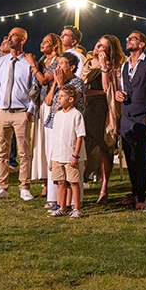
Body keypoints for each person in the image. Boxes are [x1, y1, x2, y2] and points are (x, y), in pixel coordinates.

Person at [0, 26, 38, 202]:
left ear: (22, 40)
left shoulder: (29, 63)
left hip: (21, 112)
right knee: (2, 151)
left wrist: (30, 110)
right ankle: (2, 186)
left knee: (24, 152)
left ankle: (24, 186)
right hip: (3, 112)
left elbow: (34, 89)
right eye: (9, 35)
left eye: (14, 35)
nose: (10, 38)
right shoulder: (1, 62)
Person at [81, 34, 123, 204]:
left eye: (104, 46)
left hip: (107, 109)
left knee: (106, 147)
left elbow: (108, 88)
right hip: (90, 108)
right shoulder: (89, 63)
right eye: (98, 45)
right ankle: (80, 183)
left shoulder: (116, 66)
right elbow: (82, 86)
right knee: (85, 147)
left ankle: (104, 188)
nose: (99, 48)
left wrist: (105, 67)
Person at [117, 30, 146, 209]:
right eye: (128, 38)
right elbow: (124, 87)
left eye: (132, 38)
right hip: (126, 116)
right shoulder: (124, 65)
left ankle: (141, 195)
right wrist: (119, 94)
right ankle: (134, 191)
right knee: (129, 157)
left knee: (140, 156)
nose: (128, 40)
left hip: (142, 115)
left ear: (141, 44)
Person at [28, 33, 63, 198]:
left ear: (55, 45)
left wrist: (32, 65)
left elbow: (44, 80)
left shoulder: (57, 61)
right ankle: (45, 181)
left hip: (52, 105)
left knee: (50, 143)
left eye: (46, 42)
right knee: (40, 144)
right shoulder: (42, 60)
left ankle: (53, 181)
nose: (42, 44)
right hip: (40, 105)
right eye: (42, 41)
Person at [48, 85, 86, 220]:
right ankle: (62, 207)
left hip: (70, 156)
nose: (58, 99)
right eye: (58, 97)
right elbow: (55, 137)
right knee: (60, 182)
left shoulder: (77, 115)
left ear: (70, 99)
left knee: (74, 182)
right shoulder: (57, 115)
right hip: (58, 155)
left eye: (62, 97)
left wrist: (75, 155)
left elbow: (80, 136)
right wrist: (52, 158)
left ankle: (76, 208)